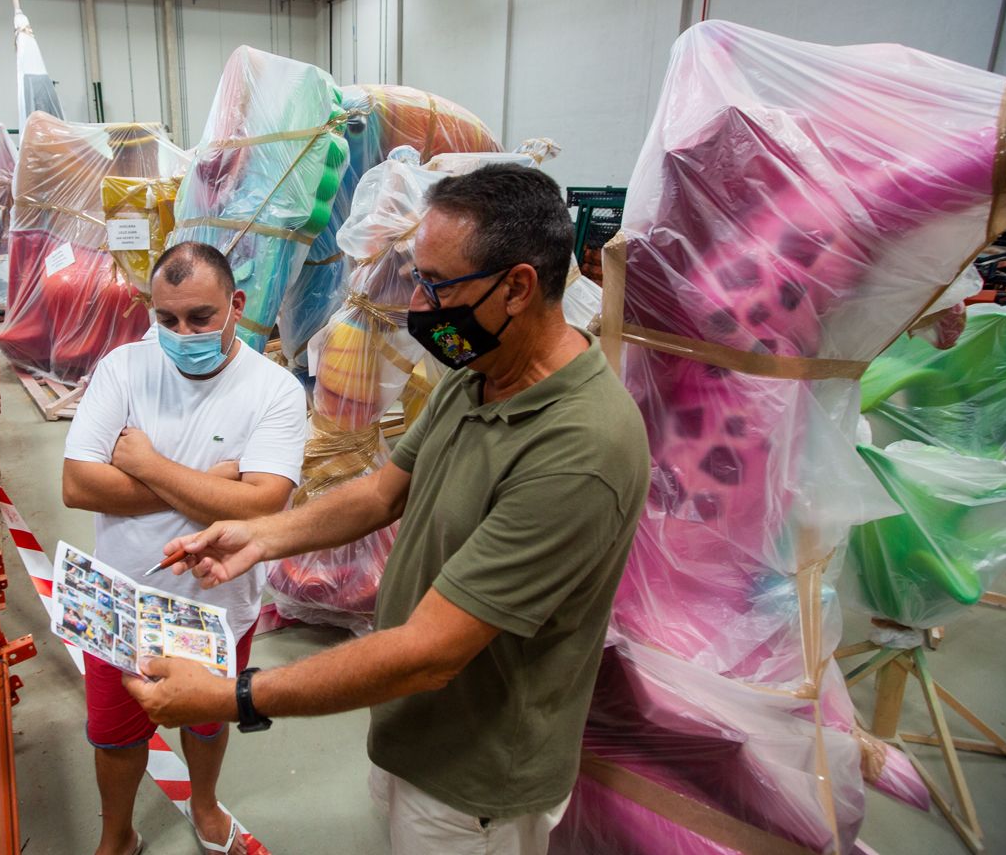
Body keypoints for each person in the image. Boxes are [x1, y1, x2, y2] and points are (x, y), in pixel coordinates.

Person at [125, 165, 650, 855]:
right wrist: (260, 535)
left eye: (437, 285)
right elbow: (382, 493)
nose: (419, 305)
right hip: (412, 729)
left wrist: (234, 697)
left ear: (517, 287)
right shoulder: (479, 373)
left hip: (474, 778)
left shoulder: (579, 448)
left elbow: (431, 654)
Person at [63, 240, 308, 855]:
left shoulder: (275, 390)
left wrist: (147, 464)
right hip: (120, 599)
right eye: (165, 318)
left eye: (200, 317)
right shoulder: (124, 368)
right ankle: (116, 835)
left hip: (218, 602)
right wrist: (218, 483)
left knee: (207, 718)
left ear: (236, 305)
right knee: (114, 734)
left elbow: (264, 506)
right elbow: (77, 485)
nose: (181, 332)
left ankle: (203, 803)